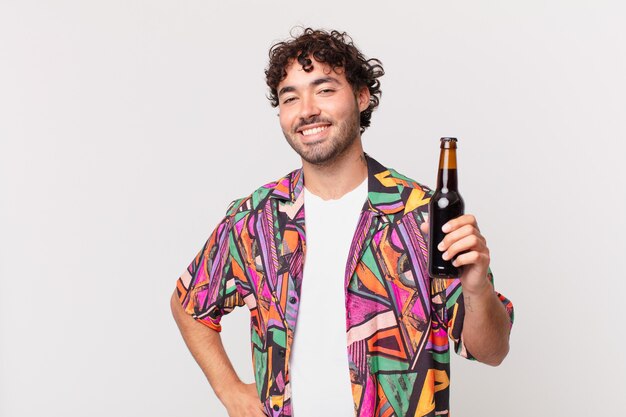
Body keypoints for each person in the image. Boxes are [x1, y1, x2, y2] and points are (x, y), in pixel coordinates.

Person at [170, 28, 514, 417]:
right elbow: (189, 304)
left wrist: (477, 287)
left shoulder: (421, 217)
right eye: (290, 97)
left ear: (362, 96)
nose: (307, 109)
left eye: (325, 89)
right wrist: (230, 391)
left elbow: (491, 351)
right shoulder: (256, 218)